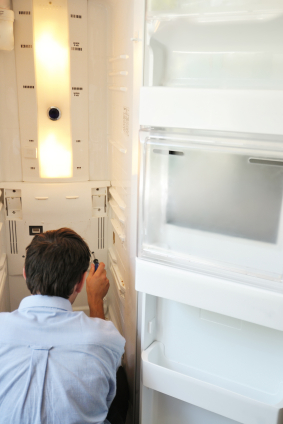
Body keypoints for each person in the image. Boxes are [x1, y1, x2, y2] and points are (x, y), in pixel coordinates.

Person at [0, 228, 128, 424]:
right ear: (81, 282)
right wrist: (95, 299)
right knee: (120, 376)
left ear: (25, 274)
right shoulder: (105, 338)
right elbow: (104, 353)